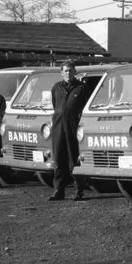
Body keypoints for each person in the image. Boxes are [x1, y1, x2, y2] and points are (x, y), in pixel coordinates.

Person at [48, 62, 89, 202]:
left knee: (74, 159)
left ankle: (79, 191)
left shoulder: (81, 87)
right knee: (58, 159)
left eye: (70, 70)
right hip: (58, 127)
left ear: (74, 72)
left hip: (73, 127)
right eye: (65, 71)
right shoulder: (56, 87)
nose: (68, 73)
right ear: (61, 72)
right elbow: (55, 105)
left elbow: (84, 107)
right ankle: (58, 190)